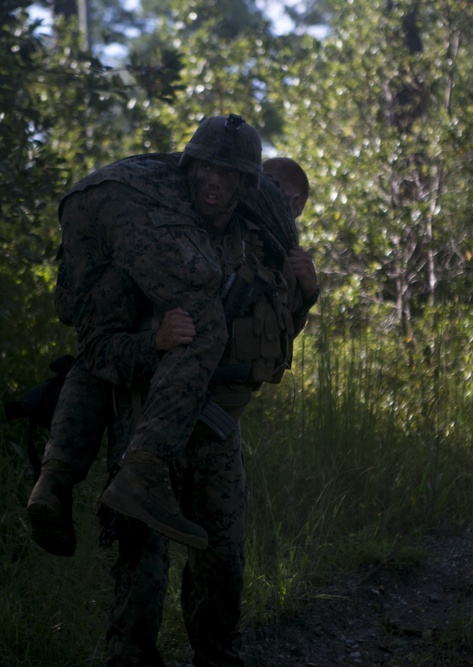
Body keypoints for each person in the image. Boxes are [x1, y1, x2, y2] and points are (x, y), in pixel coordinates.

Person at [100, 167, 318, 667]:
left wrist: (306, 294)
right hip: (151, 413)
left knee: (222, 545)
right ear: (248, 183)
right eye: (274, 185)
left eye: (295, 195)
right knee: (141, 548)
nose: (283, 197)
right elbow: (103, 342)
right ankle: (130, 657)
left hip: (216, 418)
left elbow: (267, 342)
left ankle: (215, 653)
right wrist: (151, 342)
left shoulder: (272, 255)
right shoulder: (172, 231)